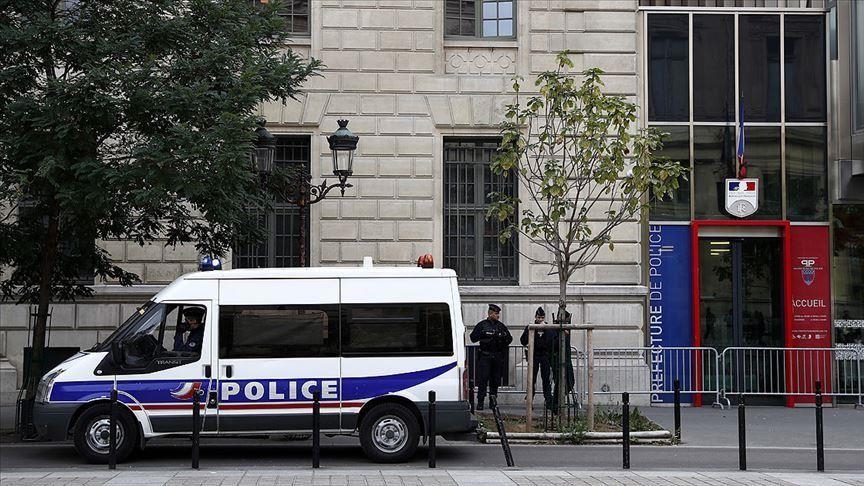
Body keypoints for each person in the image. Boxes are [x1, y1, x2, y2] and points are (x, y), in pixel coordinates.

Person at [469, 303, 512, 411]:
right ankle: (480, 402)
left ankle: (493, 401)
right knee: (483, 380)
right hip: (485, 356)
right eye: (496, 314)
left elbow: (509, 339)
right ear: (491, 313)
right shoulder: (482, 325)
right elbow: (473, 338)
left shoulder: (501, 326)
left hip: (497, 356)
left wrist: (502, 336)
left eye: (498, 314)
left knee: (495, 380)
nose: (498, 316)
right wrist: (484, 334)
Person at [520, 307, 555, 410]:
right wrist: (529, 330)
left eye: (542, 317)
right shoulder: (530, 327)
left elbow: (553, 339)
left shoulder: (547, 327)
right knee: (532, 379)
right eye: (539, 317)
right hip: (534, 356)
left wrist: (546, 328)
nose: (540, 319)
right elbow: (523, 341)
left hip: (544, 356)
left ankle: (548, 401)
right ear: (535, 317)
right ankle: (529, 401)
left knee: (546, 379)